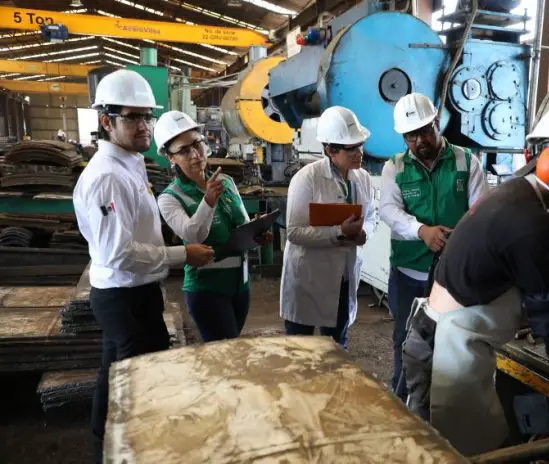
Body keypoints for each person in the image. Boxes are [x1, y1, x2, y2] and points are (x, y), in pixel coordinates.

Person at [401, 103, 549, 455]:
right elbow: (548, 299)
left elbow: (530, 285)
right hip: (445, 351)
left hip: (435, 338)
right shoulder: (530, 221)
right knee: (453, 454)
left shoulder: (513, 195)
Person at [73, 70, 214, 460]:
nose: (144, 126)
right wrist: (183, 254)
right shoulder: (107, 177)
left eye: (147, 116)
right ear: (106, 121)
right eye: (132, 117)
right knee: (138, 385)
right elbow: (117, 253)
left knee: (115, 375)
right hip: (124, 297)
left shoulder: (129, 166)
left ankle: (105, 446)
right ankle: (129, 452)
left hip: (133, 292)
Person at [380, 92, 487, 400]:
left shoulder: (467, 161)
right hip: (408, 272)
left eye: (425, 130)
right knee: (405, 337)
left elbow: (480, 211)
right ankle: (403, 401)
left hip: (452, 275)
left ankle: (445, 403)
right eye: (411, 136)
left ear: (437, 123)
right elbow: (388, 209)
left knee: (453, 339)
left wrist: (462, 236)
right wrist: (422, 230)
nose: (419, 140)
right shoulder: (395, 167)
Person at [155, 111, 271, 342]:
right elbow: (193, 234)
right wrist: (208, 201)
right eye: (184, 150)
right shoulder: (170, 198)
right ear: (171, 157)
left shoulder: (225, 182)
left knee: (232, 349)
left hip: (240, 283)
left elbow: (241, 225)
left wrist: (256, 234)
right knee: (223, 354)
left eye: (197, 144)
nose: (195, 154)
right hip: (207, 288)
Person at [280, 106, 376, 348]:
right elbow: (294, 232)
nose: (359, 152)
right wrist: (339, 232)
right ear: (330, 150)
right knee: (300, 350)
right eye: (351, 148)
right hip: (309, 278)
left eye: (360, 145)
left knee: (336, 347)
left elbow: (372, 217)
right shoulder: (307, 178)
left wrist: (365, 233)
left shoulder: (362, 178)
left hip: (343, 276)